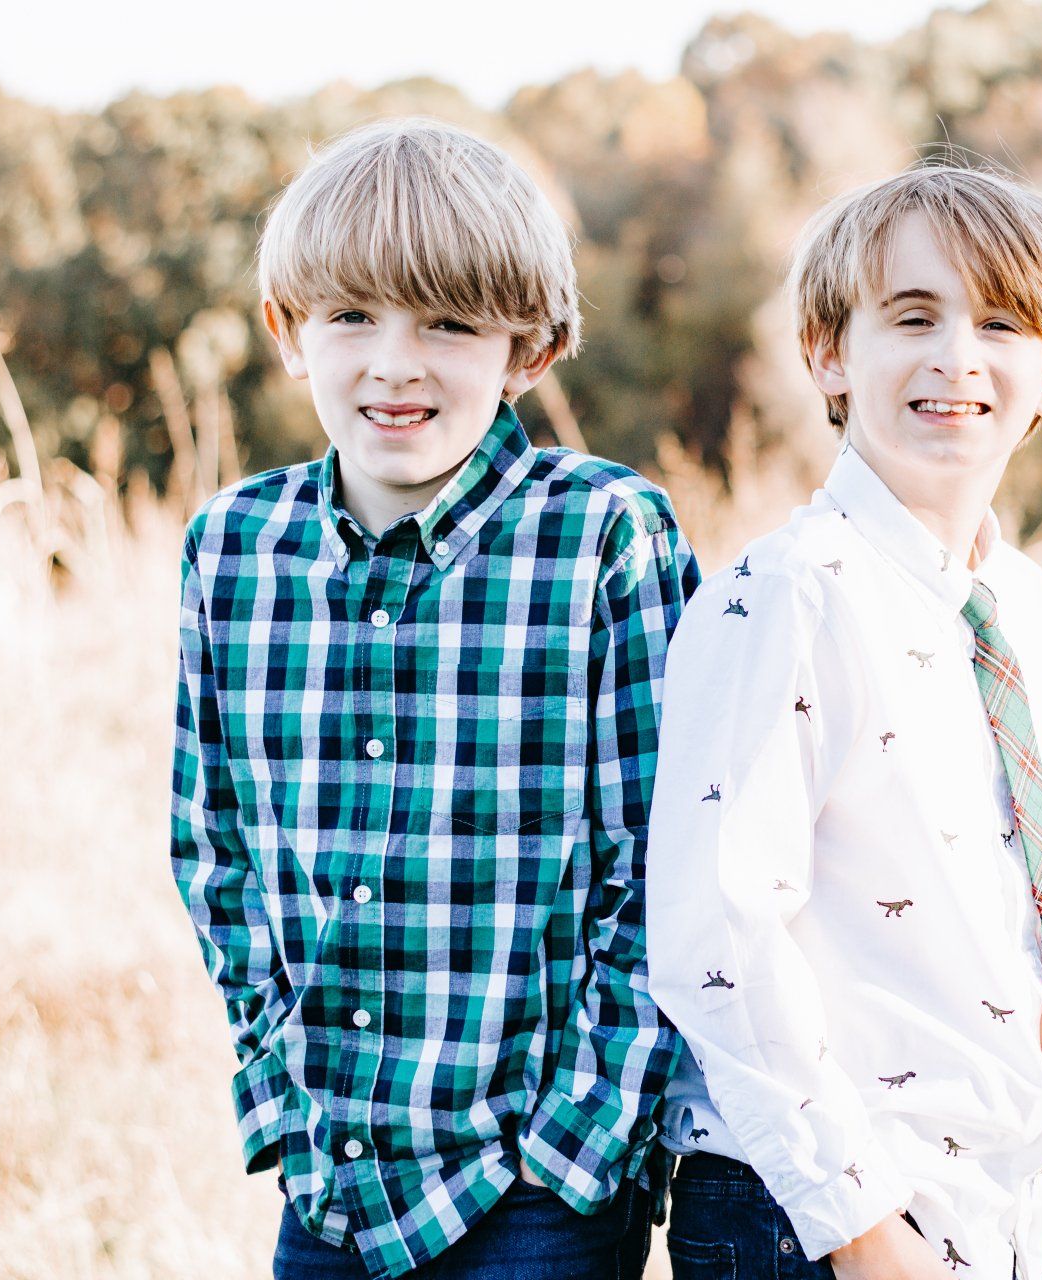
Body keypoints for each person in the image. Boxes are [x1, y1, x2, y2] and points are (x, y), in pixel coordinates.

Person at [170, 116, 695, 1280]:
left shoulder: (604, 537)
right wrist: (277, 1092)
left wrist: (581, 1143)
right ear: (288, 334)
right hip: (334, 1180)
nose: (396, 362)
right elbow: (214, 849)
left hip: (541, 1192)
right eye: (352, 315)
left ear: (529, 348)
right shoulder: (233, 547)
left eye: (448, 322)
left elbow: (665, 866)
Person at [647, 165, 1042, 1280]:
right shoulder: (785, 594)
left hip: (1002, 1197)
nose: (957, 355)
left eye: (1001, 323)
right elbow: (719, 931)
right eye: (913, 317)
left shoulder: (1027, 609)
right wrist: (860, 1229)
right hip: (810, 1209)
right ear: (828, 352)